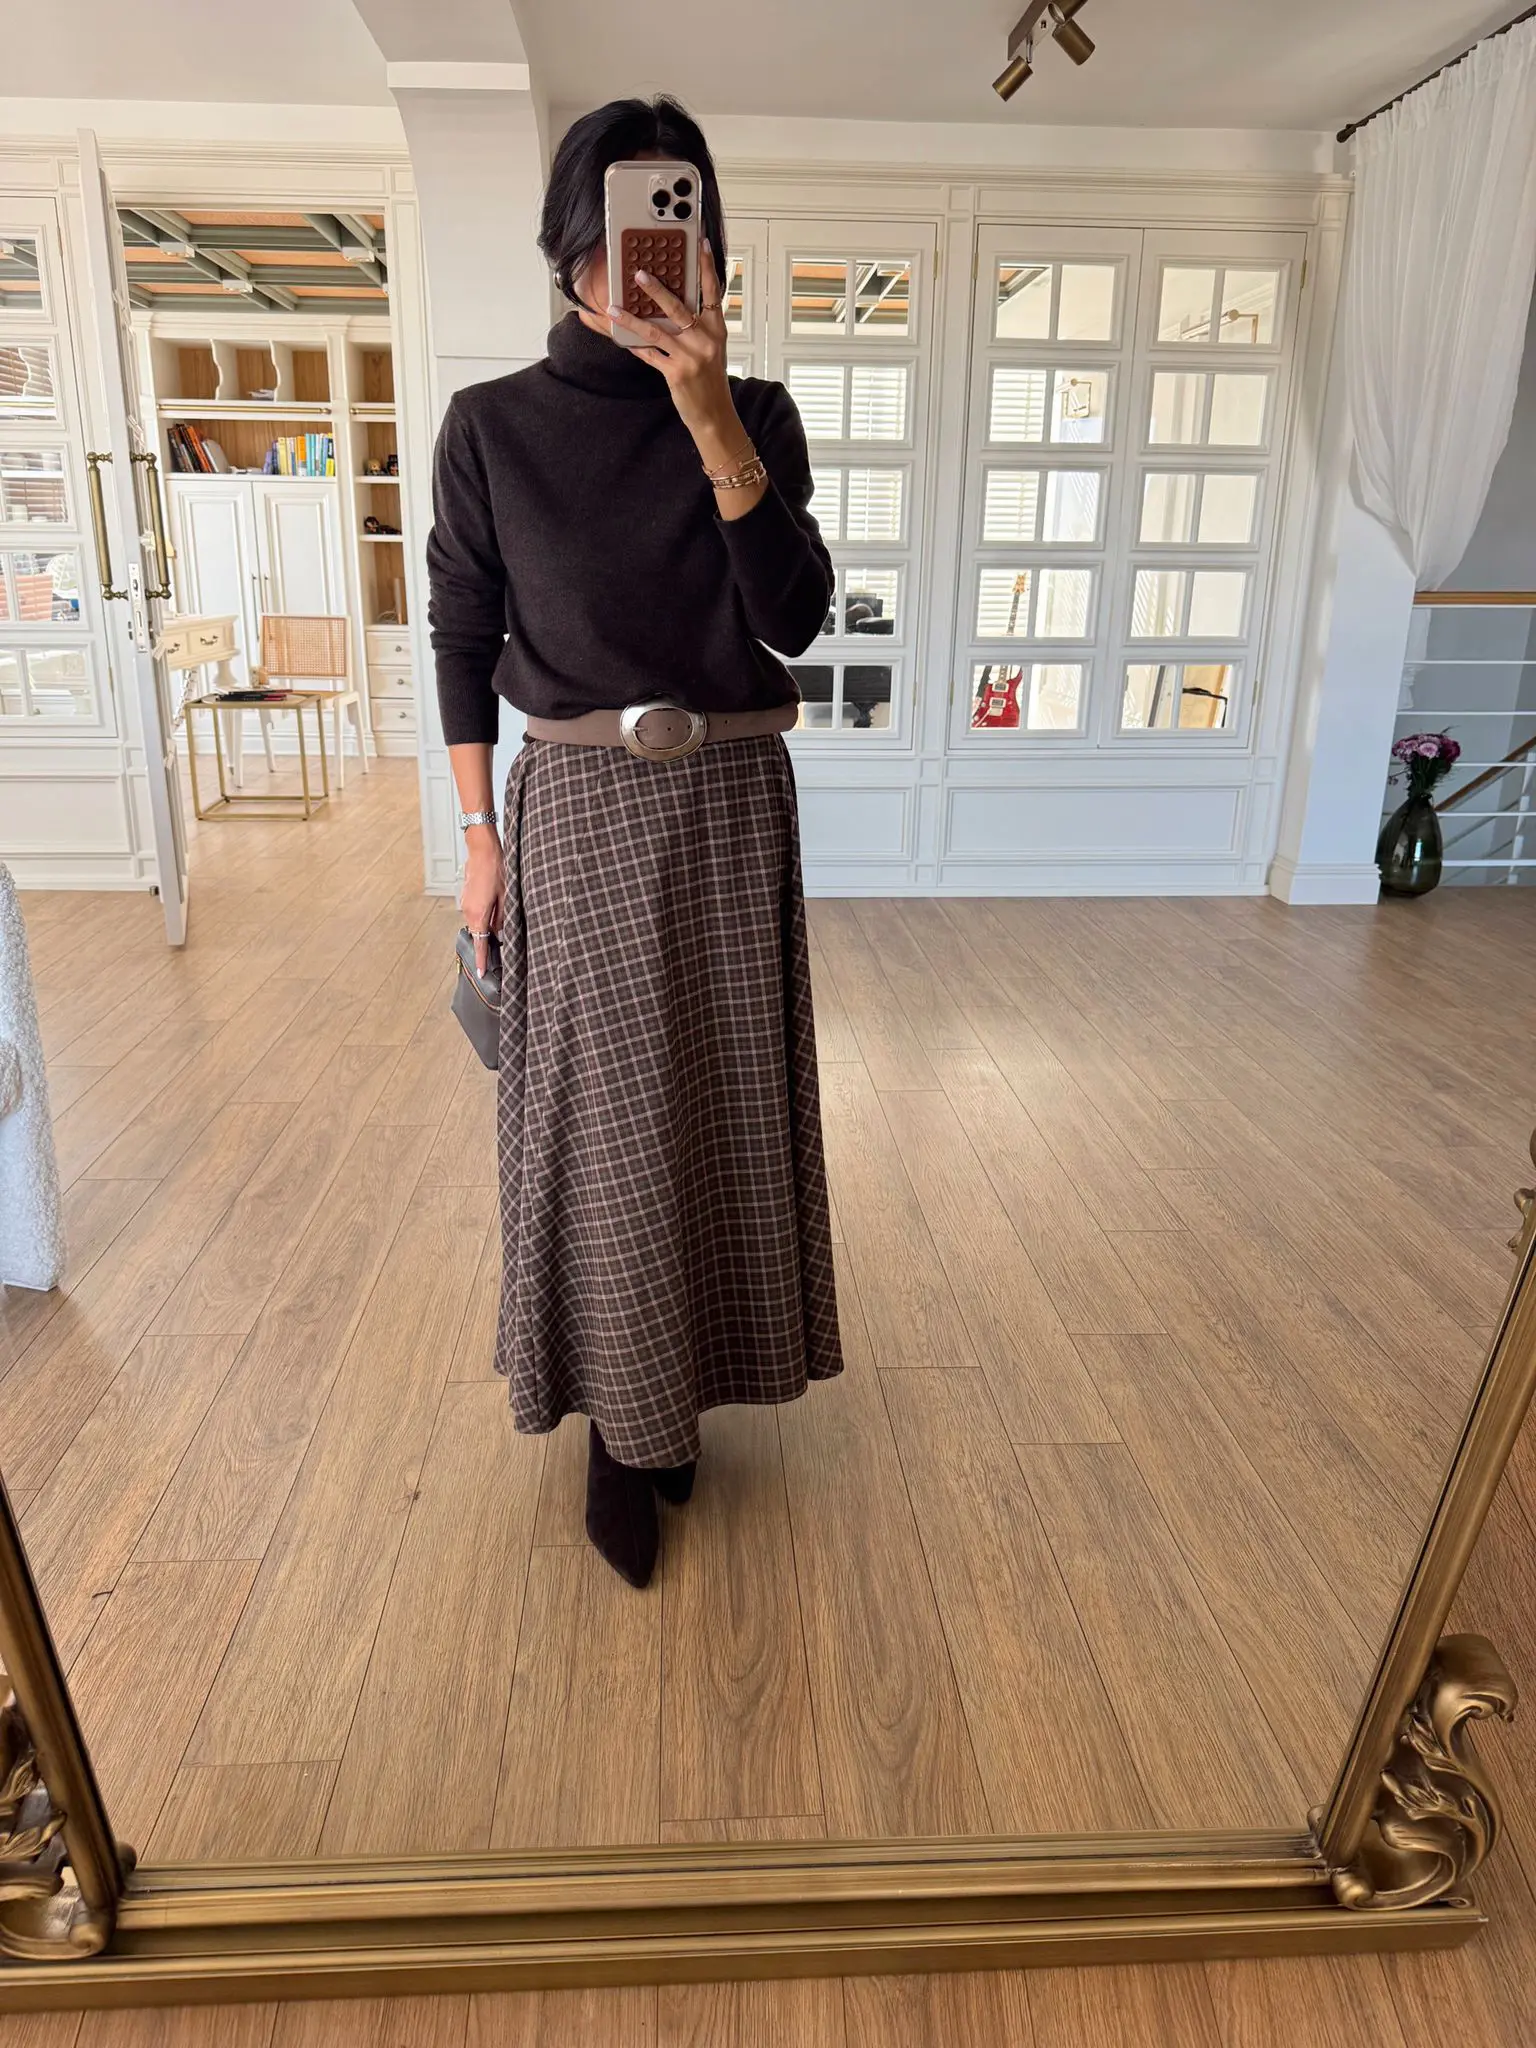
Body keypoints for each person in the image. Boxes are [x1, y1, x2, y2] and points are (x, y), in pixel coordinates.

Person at [427, 94, 844, 1590]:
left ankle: (689, 1386)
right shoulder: (492, 426)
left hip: (731, 800)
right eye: (624, 228)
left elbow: (795, 620)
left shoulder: (758, 413)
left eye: (683, 224)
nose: (653, 262)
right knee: (601, 1123)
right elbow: (461, 633)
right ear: (569, 246)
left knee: (718, 1106)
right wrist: (477, 837)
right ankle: (622, 1421)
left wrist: (713, 418)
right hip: (578, 803)